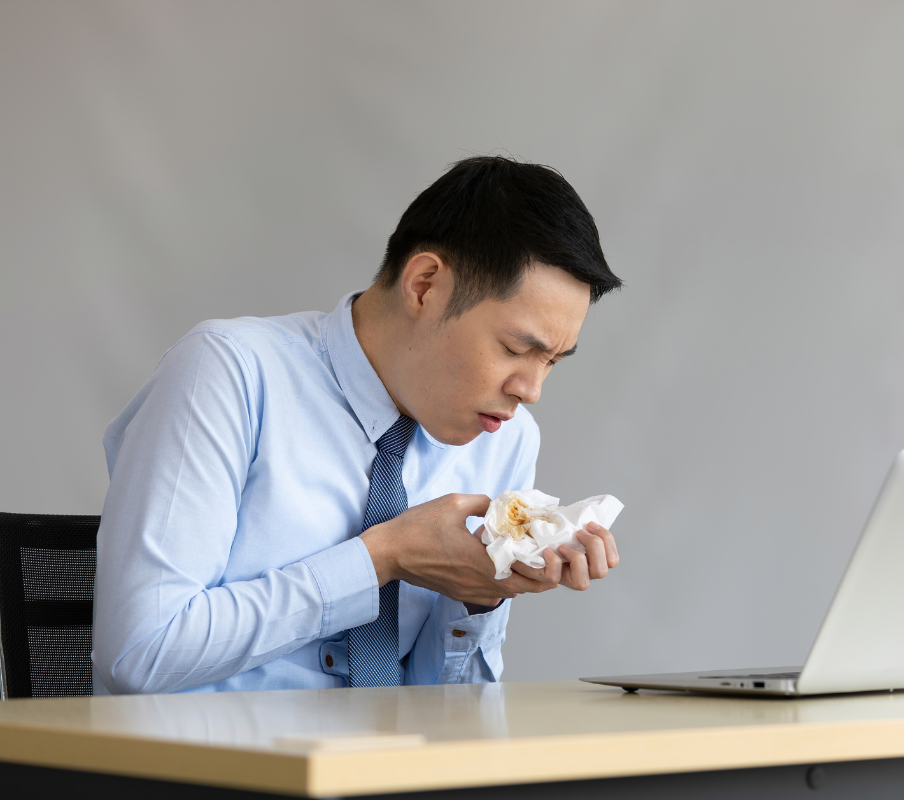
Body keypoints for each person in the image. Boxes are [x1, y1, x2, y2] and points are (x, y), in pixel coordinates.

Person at [92, 156, 623, 694]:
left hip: (390, 773)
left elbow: (448, 712)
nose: (530, 390)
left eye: (552, 361)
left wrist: (478, 597)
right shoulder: (228, 373)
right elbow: (139, 654)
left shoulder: (506, 438)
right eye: (515, 349)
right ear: (424, 285)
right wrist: (382, 559)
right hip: (211, 769)